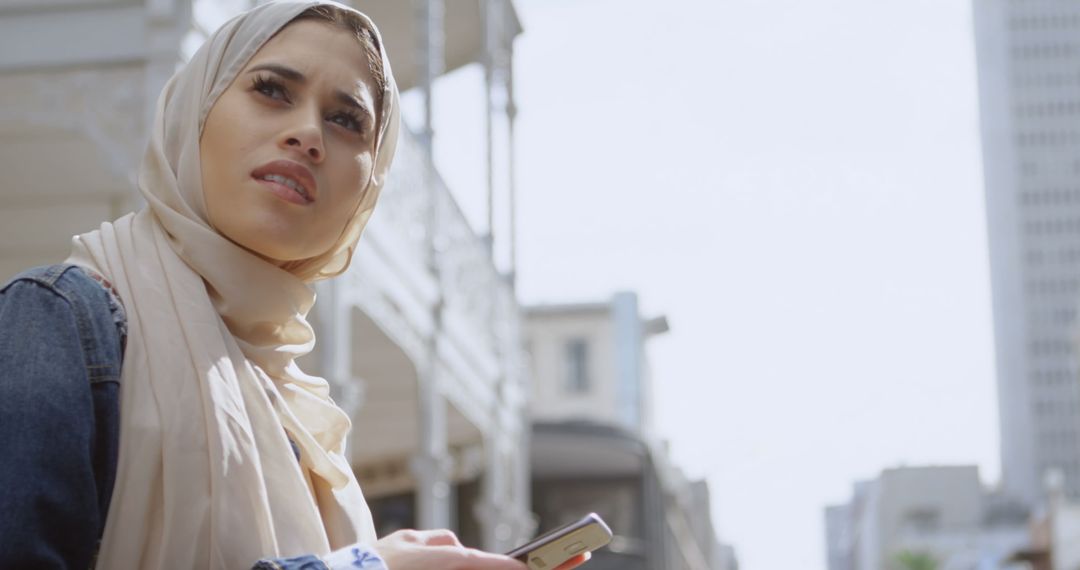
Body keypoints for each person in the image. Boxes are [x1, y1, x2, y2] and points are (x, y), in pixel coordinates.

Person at [0, 2, 588, 569]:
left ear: (367, 189)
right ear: (196, 111)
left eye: (346, 120)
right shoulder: (59, 319)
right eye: (272, 90)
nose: (308, 134)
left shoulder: (302, 415)